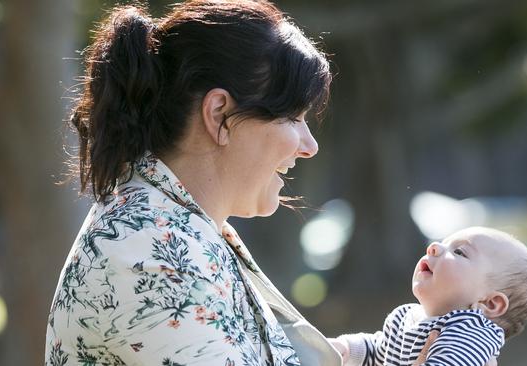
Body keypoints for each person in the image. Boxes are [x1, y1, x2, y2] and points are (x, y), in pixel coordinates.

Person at [44, 1, 336, 365]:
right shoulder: (149, 252)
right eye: (292, 117)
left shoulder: (173, 223)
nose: (310, 146)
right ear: (219, 114)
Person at [329, 227, 527, 366]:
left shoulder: (471, 332)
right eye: (443, 242)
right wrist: (347, 349)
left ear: (490, 303)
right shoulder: (405, 317)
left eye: (460, 252)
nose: (434, 247)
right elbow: (379, 352)